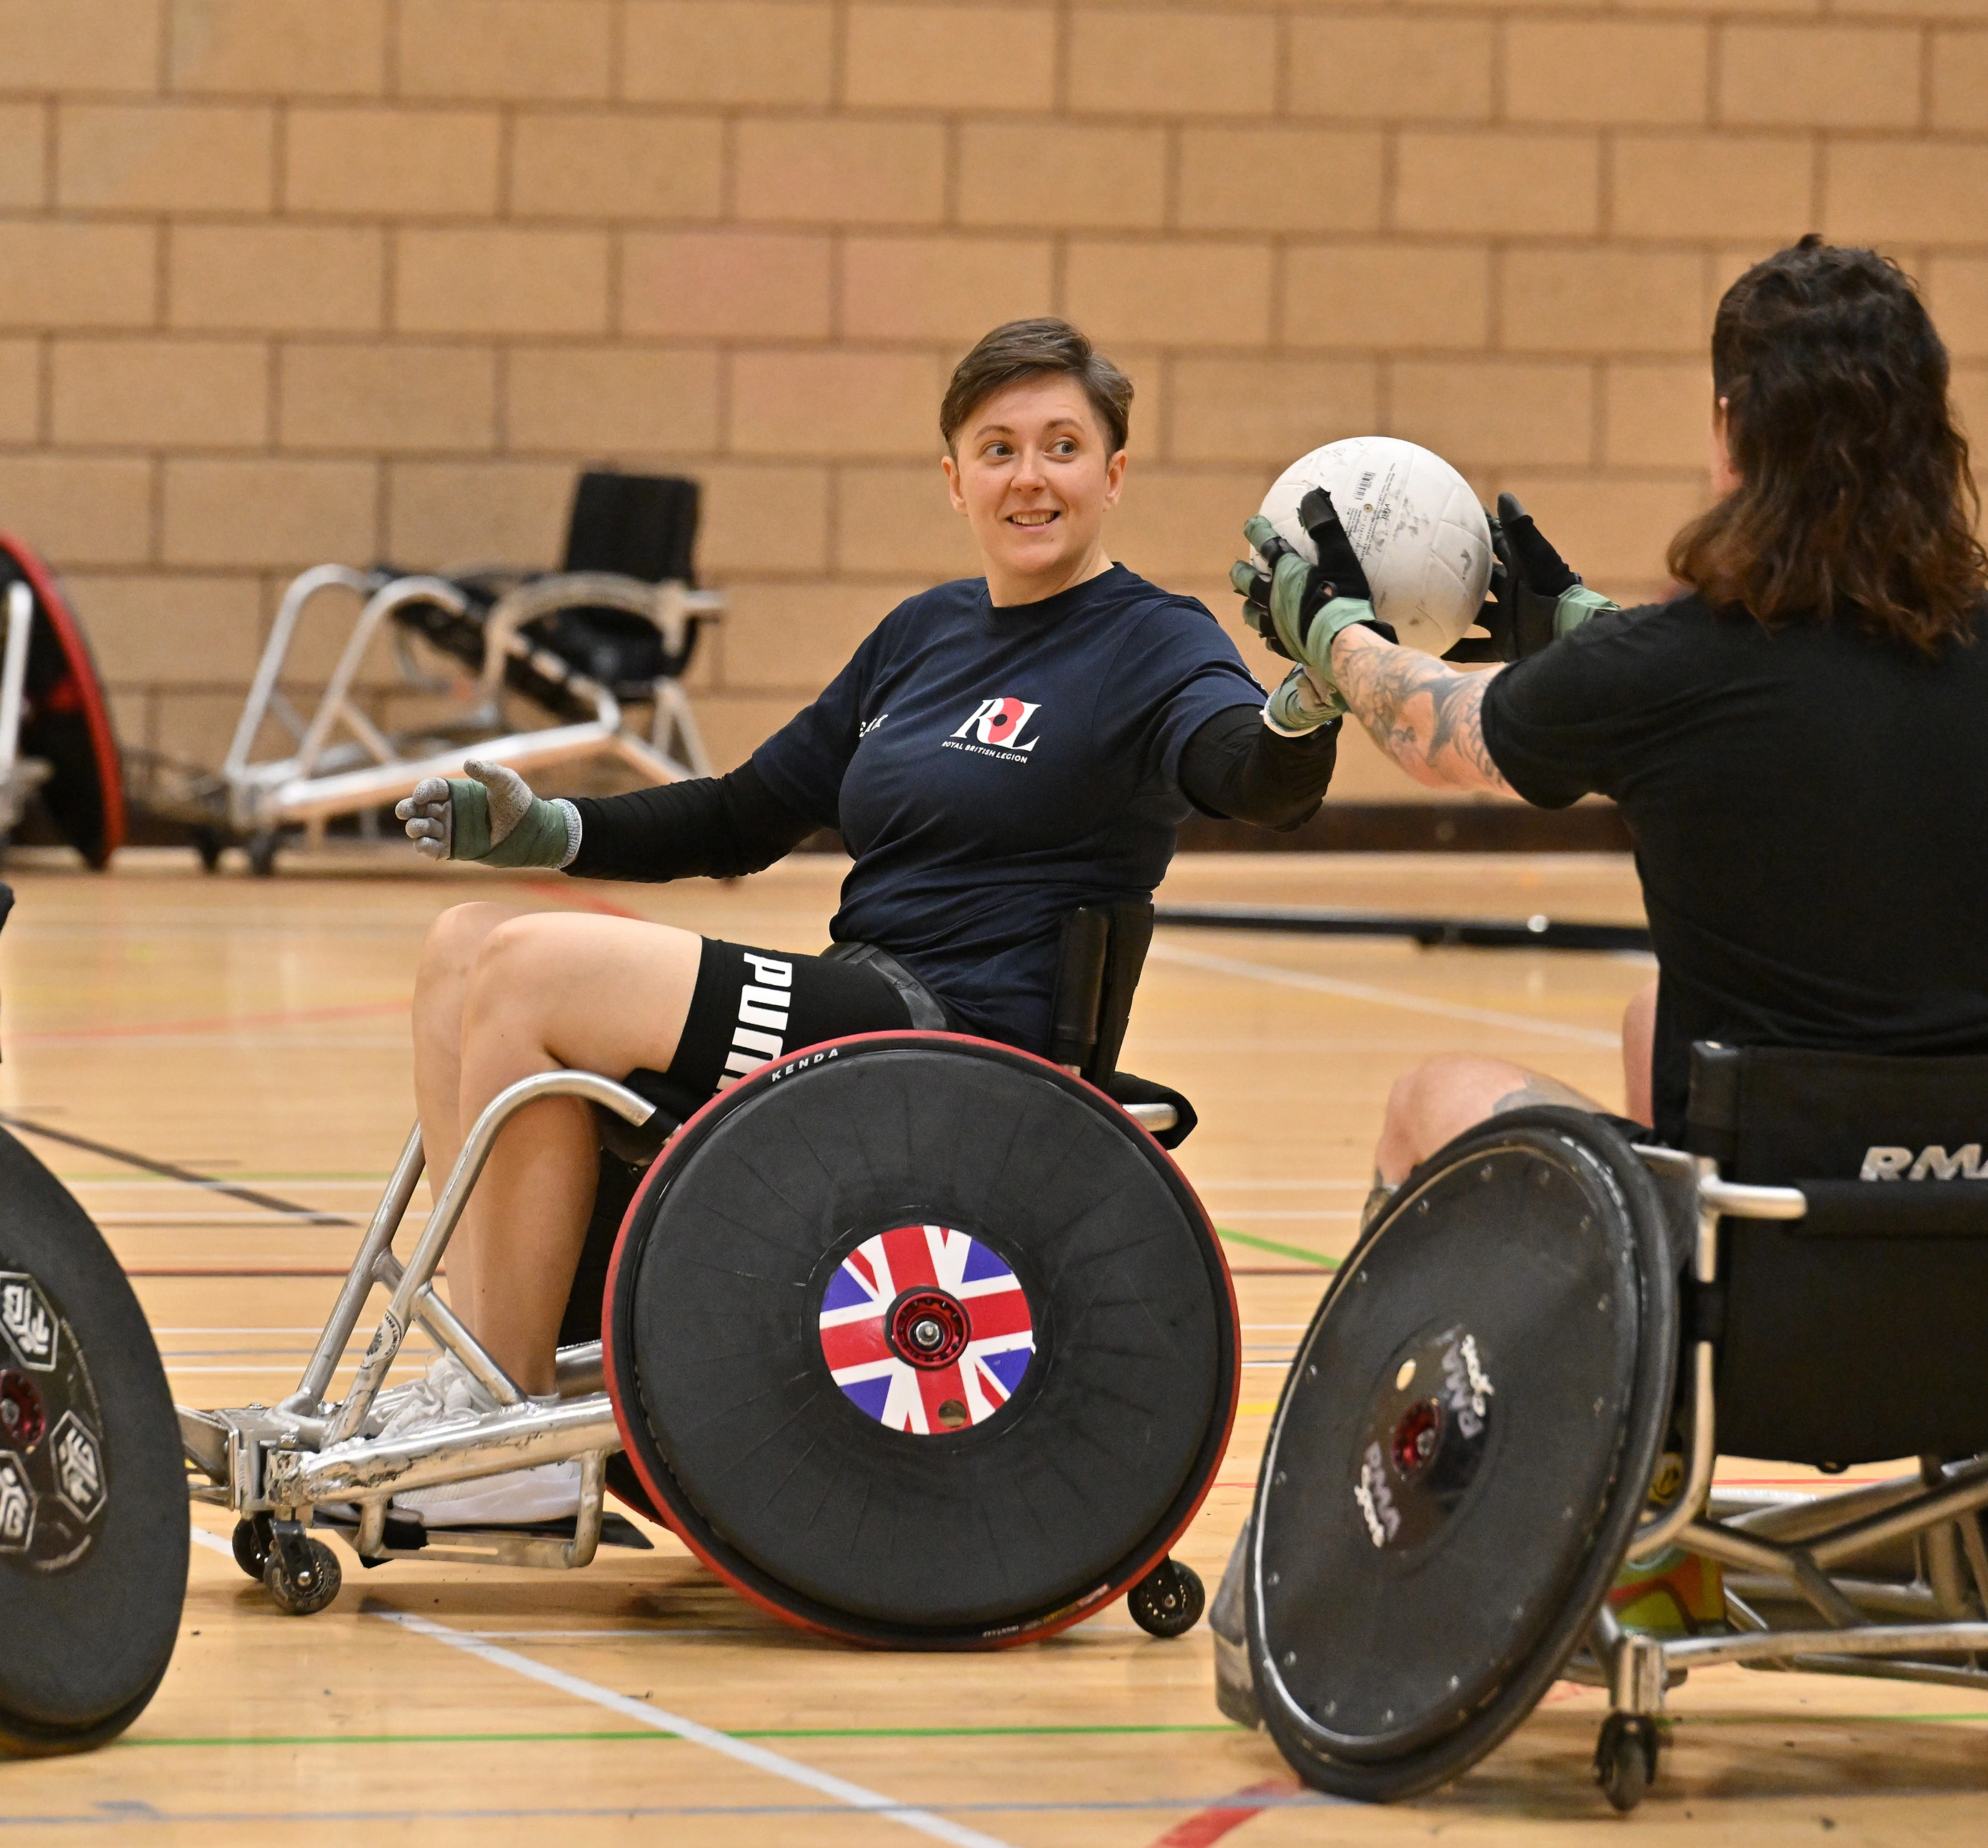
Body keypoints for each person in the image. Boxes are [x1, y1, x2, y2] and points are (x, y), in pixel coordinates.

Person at [377, 317, 1340, 1526]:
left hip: (968, 1038)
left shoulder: (1155, 642)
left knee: (527, 966)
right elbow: (744, 813)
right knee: (464, 939)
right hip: (865, 990)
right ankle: (478, 1376)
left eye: (1061, 445)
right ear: (954, 479)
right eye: (997, 448)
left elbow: (1252, 776)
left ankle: (509, 1428)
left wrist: (1308, 700)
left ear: (1113, 473)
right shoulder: (922, 635)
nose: (1029, 476)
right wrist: (549, 833)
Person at [1237, 238, 1988, 1214]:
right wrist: (1581, 632)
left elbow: (1438, 733)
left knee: (1431, 1098)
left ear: (1732, 429)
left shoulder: (1681, 664)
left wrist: (1336, 634)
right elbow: (1805, 697)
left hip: (1782, 1217)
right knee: (1654, 1017)